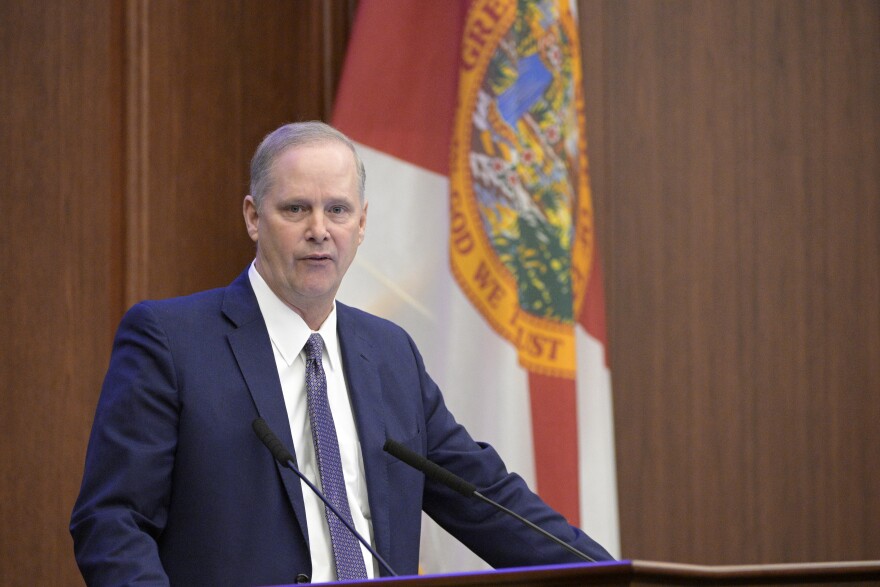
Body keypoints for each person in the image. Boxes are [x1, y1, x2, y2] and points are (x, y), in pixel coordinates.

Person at [70, 121, 613, 586]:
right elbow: (113, 520)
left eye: (337, 209)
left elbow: (487, 499)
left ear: (362, 223)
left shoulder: (390, 353)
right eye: (295, 209)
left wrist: (616, 576)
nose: (318, 231)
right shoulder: (172, 341)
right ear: (253, 217)